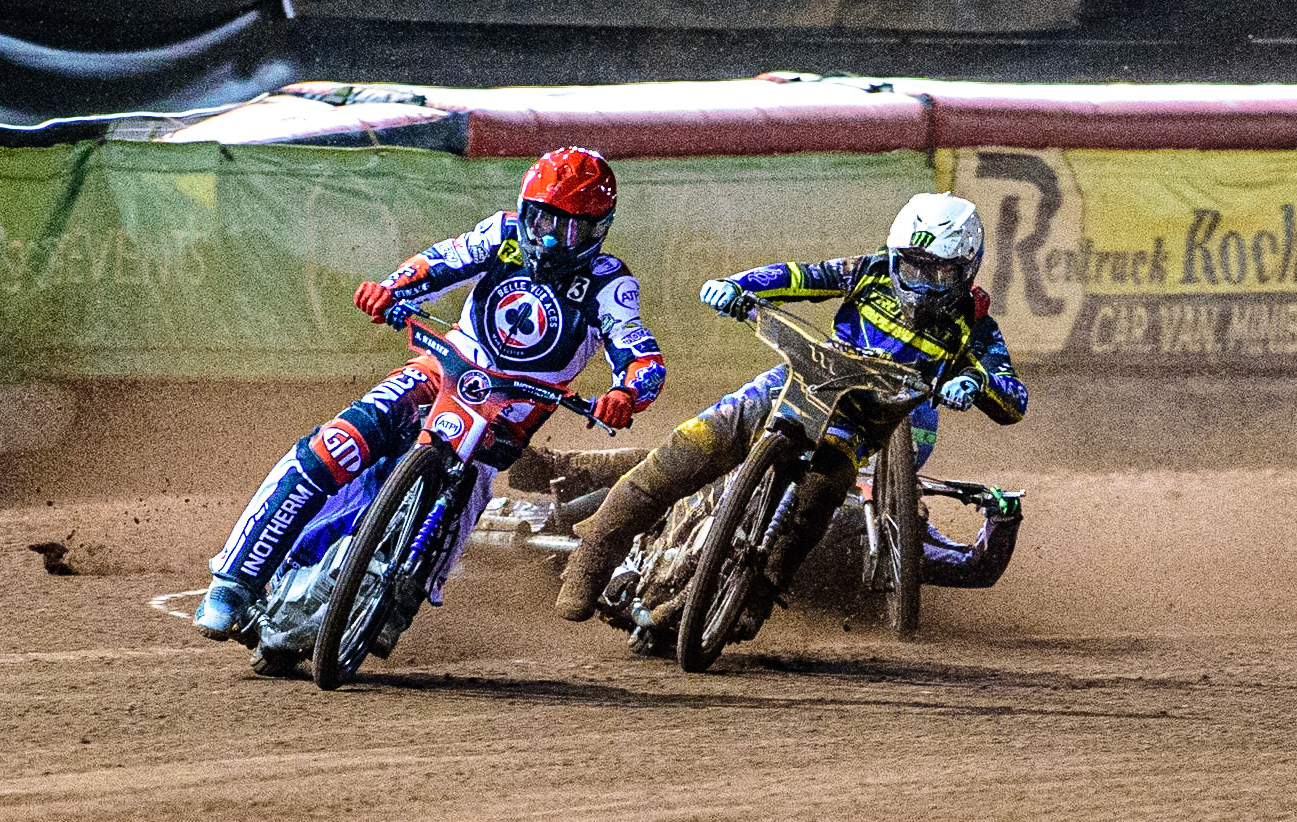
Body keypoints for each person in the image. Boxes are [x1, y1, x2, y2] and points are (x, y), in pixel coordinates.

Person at [195, 146, 667, 640]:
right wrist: (391, 289)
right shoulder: (504, 233)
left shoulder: (609, 282)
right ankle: (233, 582)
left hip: (509, 413)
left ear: (597, 229)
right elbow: (443, 260)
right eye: (539, 218)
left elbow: (640, 353)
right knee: (334, 445)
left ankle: (396, 608)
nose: (547, 238)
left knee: (465, 500)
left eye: (566, 227)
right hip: (442, 370)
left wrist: (627, 394)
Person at [555, 191, 1026, 624]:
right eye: (912, 269)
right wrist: (737, 287)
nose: (921, 286)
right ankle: (593, 553)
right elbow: (802, 276)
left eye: (938, 274)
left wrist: (975, 384)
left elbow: (1013, 397)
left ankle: (755, 602)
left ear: (967, 271)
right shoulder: (869, 271)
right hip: (796, 382)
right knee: (690, 447)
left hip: (856, 427)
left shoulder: (978, 329)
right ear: (893, 257)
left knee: (819, 496)